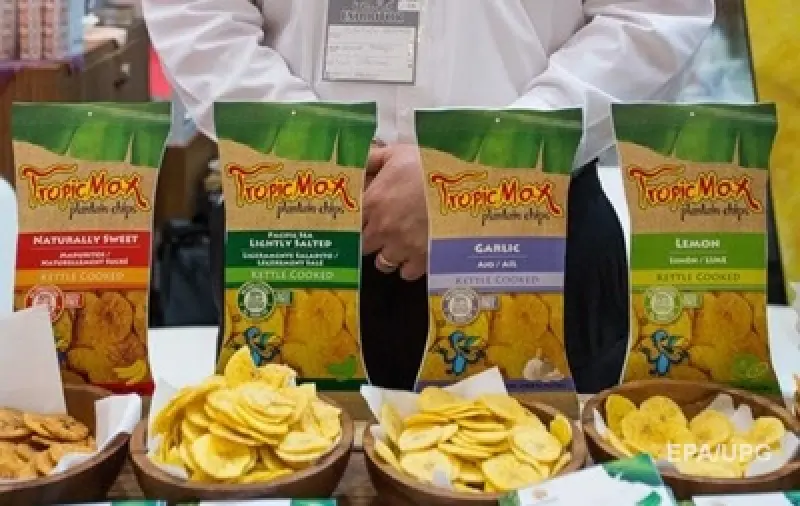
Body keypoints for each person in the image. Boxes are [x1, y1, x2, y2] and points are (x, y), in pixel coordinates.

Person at [143, 0, 715, 392]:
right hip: (299, 223)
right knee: (286, 461)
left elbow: (652, 15)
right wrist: (327, 155)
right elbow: (198, 14)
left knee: (545, 469)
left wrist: (481, 165)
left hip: (532, 221)